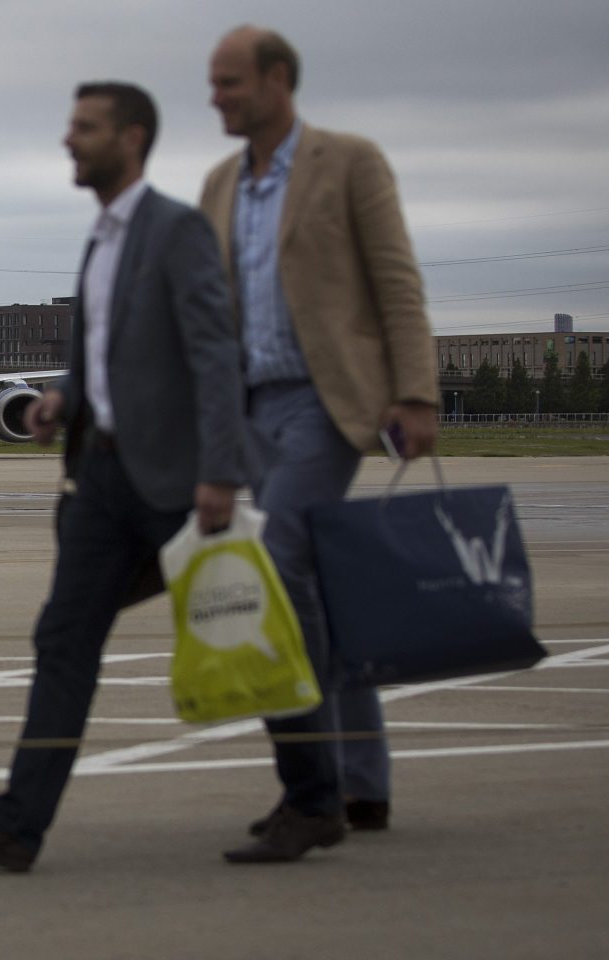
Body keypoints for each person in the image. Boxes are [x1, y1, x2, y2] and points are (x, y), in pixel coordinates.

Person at [0, 82, 250, 872]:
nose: (69, 141)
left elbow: (214, 353)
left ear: (131, 139)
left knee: (239, 622)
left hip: (174, 481)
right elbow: (105, 354)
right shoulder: (103, 237)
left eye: (84, 128)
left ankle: (313, 793)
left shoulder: (177, 230)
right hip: (102, 475)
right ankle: (18, 824)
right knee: (64, 638)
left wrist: (222, 470)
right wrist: (65, 397)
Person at [200, 27, 440, 863]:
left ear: (277, 80)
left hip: (324, 403)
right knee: (323, 598)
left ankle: (313, 790)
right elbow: (206, 313)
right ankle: (360, 783)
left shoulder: (350, 162)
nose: (217, 97)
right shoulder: (222, 183)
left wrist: (416, 391)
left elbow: (396, 279)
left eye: (230, 83)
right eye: (213, 84)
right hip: (248, 408)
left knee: (284, 565)